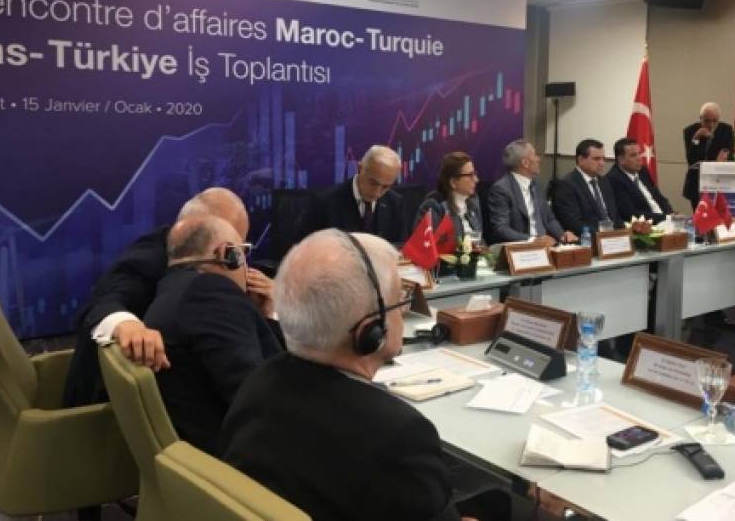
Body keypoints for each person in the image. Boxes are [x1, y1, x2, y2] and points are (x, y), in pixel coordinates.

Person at [220, 230, 493, 520]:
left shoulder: (258, 383)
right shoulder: (398, 433)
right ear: (369, 331)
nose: (404, 310)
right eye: (400, 300)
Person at [63, 188, 268, 408]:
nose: (236, 260)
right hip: (106, 407)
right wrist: (128, 325)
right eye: (232, 249)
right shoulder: (152, 257)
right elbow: (102, 302)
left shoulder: (199, 272)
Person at [146, 216, 283, 455]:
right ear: (227, 254)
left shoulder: (171, 289)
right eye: (243, 252)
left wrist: (265, 317)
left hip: (193, 455)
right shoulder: (211, 292)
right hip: (241, 458)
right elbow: (257, 396)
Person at [487, 139, 577, 246]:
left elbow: (549, 219)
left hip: (545, 245)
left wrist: (562, 235)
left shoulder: (537, 185)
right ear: (525, 163)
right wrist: (532, 240)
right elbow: (501, 228)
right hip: (521, 247)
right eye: (535, 155)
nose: (539, 159)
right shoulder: (501, 189)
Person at [321, 145, 407, 243]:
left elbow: (400, 248)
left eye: (385, 187)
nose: (377, 193)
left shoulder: (395, 203)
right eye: (373, 183)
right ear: (359, 168)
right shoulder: (325, 203)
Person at [552, 139, 622, 236]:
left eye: (603, 159)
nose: (602, 163)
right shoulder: (566, 185)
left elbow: (615, 215)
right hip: (589, 239)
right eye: (596, 159)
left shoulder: (604, 181)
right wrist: (602, 236)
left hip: (613, 238)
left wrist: (622, 233)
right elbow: (573, 223)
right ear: (581, 160)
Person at [416, 151, 484, 243]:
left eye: (475, 174)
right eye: (470, 175)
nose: (476, 180)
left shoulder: (473, 202)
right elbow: (426, 244)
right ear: (453, 182)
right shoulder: (434, 205)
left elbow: (480, 240)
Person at [607, 137, 673, 223]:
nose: (639, 158)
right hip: (645, 225)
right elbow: (630, 213)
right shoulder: (614, 179)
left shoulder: (643, 171)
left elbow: (660, 198)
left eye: (639, 153)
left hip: (665, 220)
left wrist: (670, 214)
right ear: (621, 160)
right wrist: (666, 218)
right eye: (633, 155)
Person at [682, 102, 734, 209]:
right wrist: (696, 138)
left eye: (715, 121)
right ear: (700, 119)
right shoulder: (690, 131)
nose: (711, 125)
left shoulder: (726, 130)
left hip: (719, 183)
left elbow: (729, 155)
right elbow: (691, 159)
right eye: (707, 121)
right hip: (696, 184)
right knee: (700, 216)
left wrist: (722, 159)